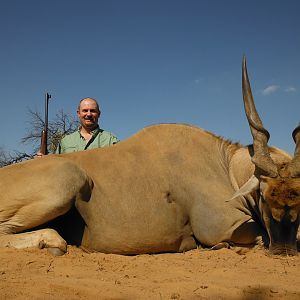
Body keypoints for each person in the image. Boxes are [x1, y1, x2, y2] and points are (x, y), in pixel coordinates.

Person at [54, 97, 119, 154]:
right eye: (85, 111)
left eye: (92, 111)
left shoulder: (110, 140)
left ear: (99, 114)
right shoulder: (65, 141)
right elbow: (55, 164)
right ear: (78, 113)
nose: (89, 114)